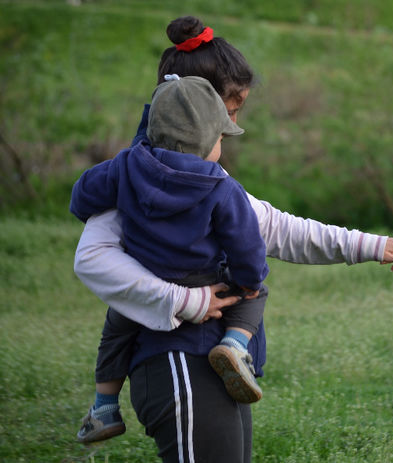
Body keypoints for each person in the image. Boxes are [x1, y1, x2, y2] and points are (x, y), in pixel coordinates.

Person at [73, 16, 393, 463]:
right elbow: (92, 259)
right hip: (176, 362)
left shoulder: (185, 177)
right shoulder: (135, 176)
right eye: (231, 112)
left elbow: (275, 227)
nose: (231, 126)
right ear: (200, 107)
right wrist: (187, 301)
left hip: (207, 359)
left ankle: (106, 403)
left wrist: (370, 245)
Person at [71, 74, 271, 444]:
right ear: (210, 139)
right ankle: (234, 345)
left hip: (147, 279)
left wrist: (89, 206)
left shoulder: (127, 165)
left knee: (116, 327)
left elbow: (82, 194)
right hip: (204, 282)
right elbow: (248, 249)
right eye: (221, 137)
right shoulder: (221, 187)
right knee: (254, 291)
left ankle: (104, 407)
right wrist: (248, 279)